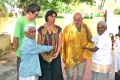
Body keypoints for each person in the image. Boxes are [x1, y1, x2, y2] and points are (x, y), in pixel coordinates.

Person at [12, 3, 41, 80]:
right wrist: (17, 51)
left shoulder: (33, 21)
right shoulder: (20, 21)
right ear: (30, 12)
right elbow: (15, 38)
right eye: (36, 14)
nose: (36, 16)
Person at [62, 12, 94, 80]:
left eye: (78, 19)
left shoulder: (86, 28)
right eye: (74, 19)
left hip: (82, 57)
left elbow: (91, 42)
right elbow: (63, 43)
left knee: (80, 76)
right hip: (70, 57)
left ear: (82, 19)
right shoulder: (67, 29)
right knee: (70, 75)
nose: (76, 21)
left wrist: (85, 56)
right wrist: (64, 56)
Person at [37, 10, 63, 80]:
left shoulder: (58, 29)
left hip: (55, 55)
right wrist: (42, 54)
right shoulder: (41, 29)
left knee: (56, 74)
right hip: (44, 56)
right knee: (45, 74)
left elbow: (60, 42)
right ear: (47, 17)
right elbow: (38, 43)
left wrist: (57, 53)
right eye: (51, 16)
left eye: (55, 17)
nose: (53, 18)